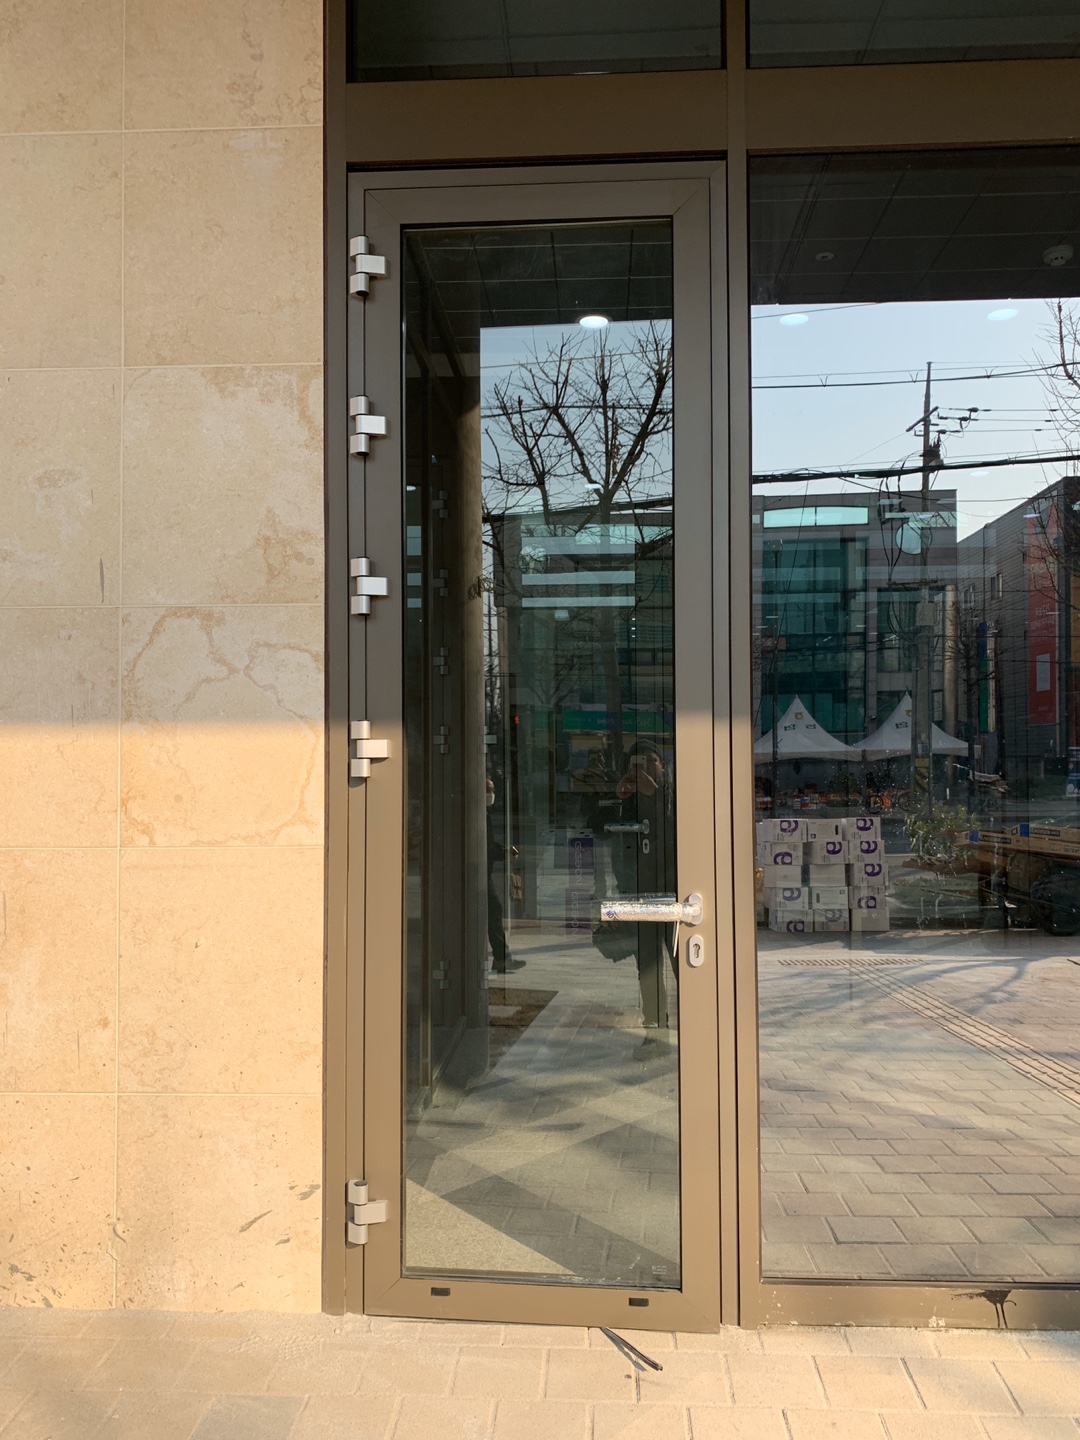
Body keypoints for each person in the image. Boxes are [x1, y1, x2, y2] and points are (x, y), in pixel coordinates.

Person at [612, 739, 677, 1056]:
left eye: (651, 761)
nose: (644, 768)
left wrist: (656, 794)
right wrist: (618, 798)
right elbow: (599, 829)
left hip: (674, 894)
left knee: (684, 965)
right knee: (648, 968)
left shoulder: (674, 794)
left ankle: (700, 1031)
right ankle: (655, 1031)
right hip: (639, 893)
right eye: (637, 763)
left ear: (663, 765)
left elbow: (676, 832)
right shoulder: (629, 796)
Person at [486, 778, 524, 974]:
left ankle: (501, 958)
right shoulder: (478, 813)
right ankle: (501, 958)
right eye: (487, 790)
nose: (491, 795)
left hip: (483, 873)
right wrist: (504, 853)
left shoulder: (484, 813)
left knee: (493, 911)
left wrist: (505, 851)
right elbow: (485, 846)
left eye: (492, 790)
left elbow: (488, 843)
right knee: (493, 911)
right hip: (479, 874)